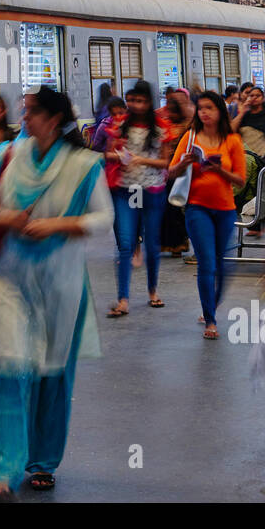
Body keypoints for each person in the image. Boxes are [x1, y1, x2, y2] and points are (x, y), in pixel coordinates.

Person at [0, 87, 111, 500]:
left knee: (52, 376)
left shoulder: (85, 165)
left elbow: (104, 218)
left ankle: (42, 462)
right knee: (6, 371)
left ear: (52, 119)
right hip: (10, 281)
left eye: (30, 112)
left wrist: (57, 225)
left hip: (62, 286)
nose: (23, 117)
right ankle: (0, 473)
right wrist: (7, 216)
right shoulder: (7, 157)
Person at [167, 90, 246, 340]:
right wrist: (184, 162)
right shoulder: (190, 138)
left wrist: (219, 170)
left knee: (224, 265)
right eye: (200, 108)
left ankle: (213, 302)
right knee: (207, 263)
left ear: (219, 111)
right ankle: (210, 318)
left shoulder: (232, 141)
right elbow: (171, 173)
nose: (204, 112)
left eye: (209, 108)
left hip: (225, 209)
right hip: (196, 207)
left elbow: (241, 181)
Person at [101, 80, 170, 317]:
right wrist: (118, 155)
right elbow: (107, 152)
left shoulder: (161, 127)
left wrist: (142, 160)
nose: (133, 105)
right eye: (131, 100)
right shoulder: (119, 124)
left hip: (152, 190)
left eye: (139, 101)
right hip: (126, 189)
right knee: (125, 244)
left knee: (151, 244)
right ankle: (123, 299)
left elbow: (165, 162)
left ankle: (153, 290)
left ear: (149, 102)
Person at [158, 88, 193, 258]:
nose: (169, 112)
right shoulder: (164, 122)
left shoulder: (187, 124)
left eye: (172, 110)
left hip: (180, 170)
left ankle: (179, 243)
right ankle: (168, 243)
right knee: (165, 208)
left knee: (175, 208)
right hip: (164, 170)